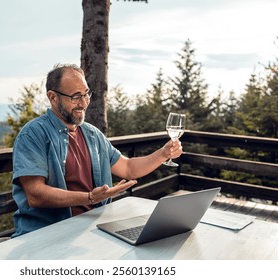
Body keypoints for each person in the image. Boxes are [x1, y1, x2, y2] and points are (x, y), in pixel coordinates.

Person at [11, 63, 183, 238]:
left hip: (91, 230)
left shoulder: (92, 134)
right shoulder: (33, 134)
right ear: (53, 97)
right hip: (45, 235)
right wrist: (89, 198)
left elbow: (129, 168)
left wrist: (163, 154)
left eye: (86, 94)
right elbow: (35, 195)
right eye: (76, 97)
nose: (84, 103)